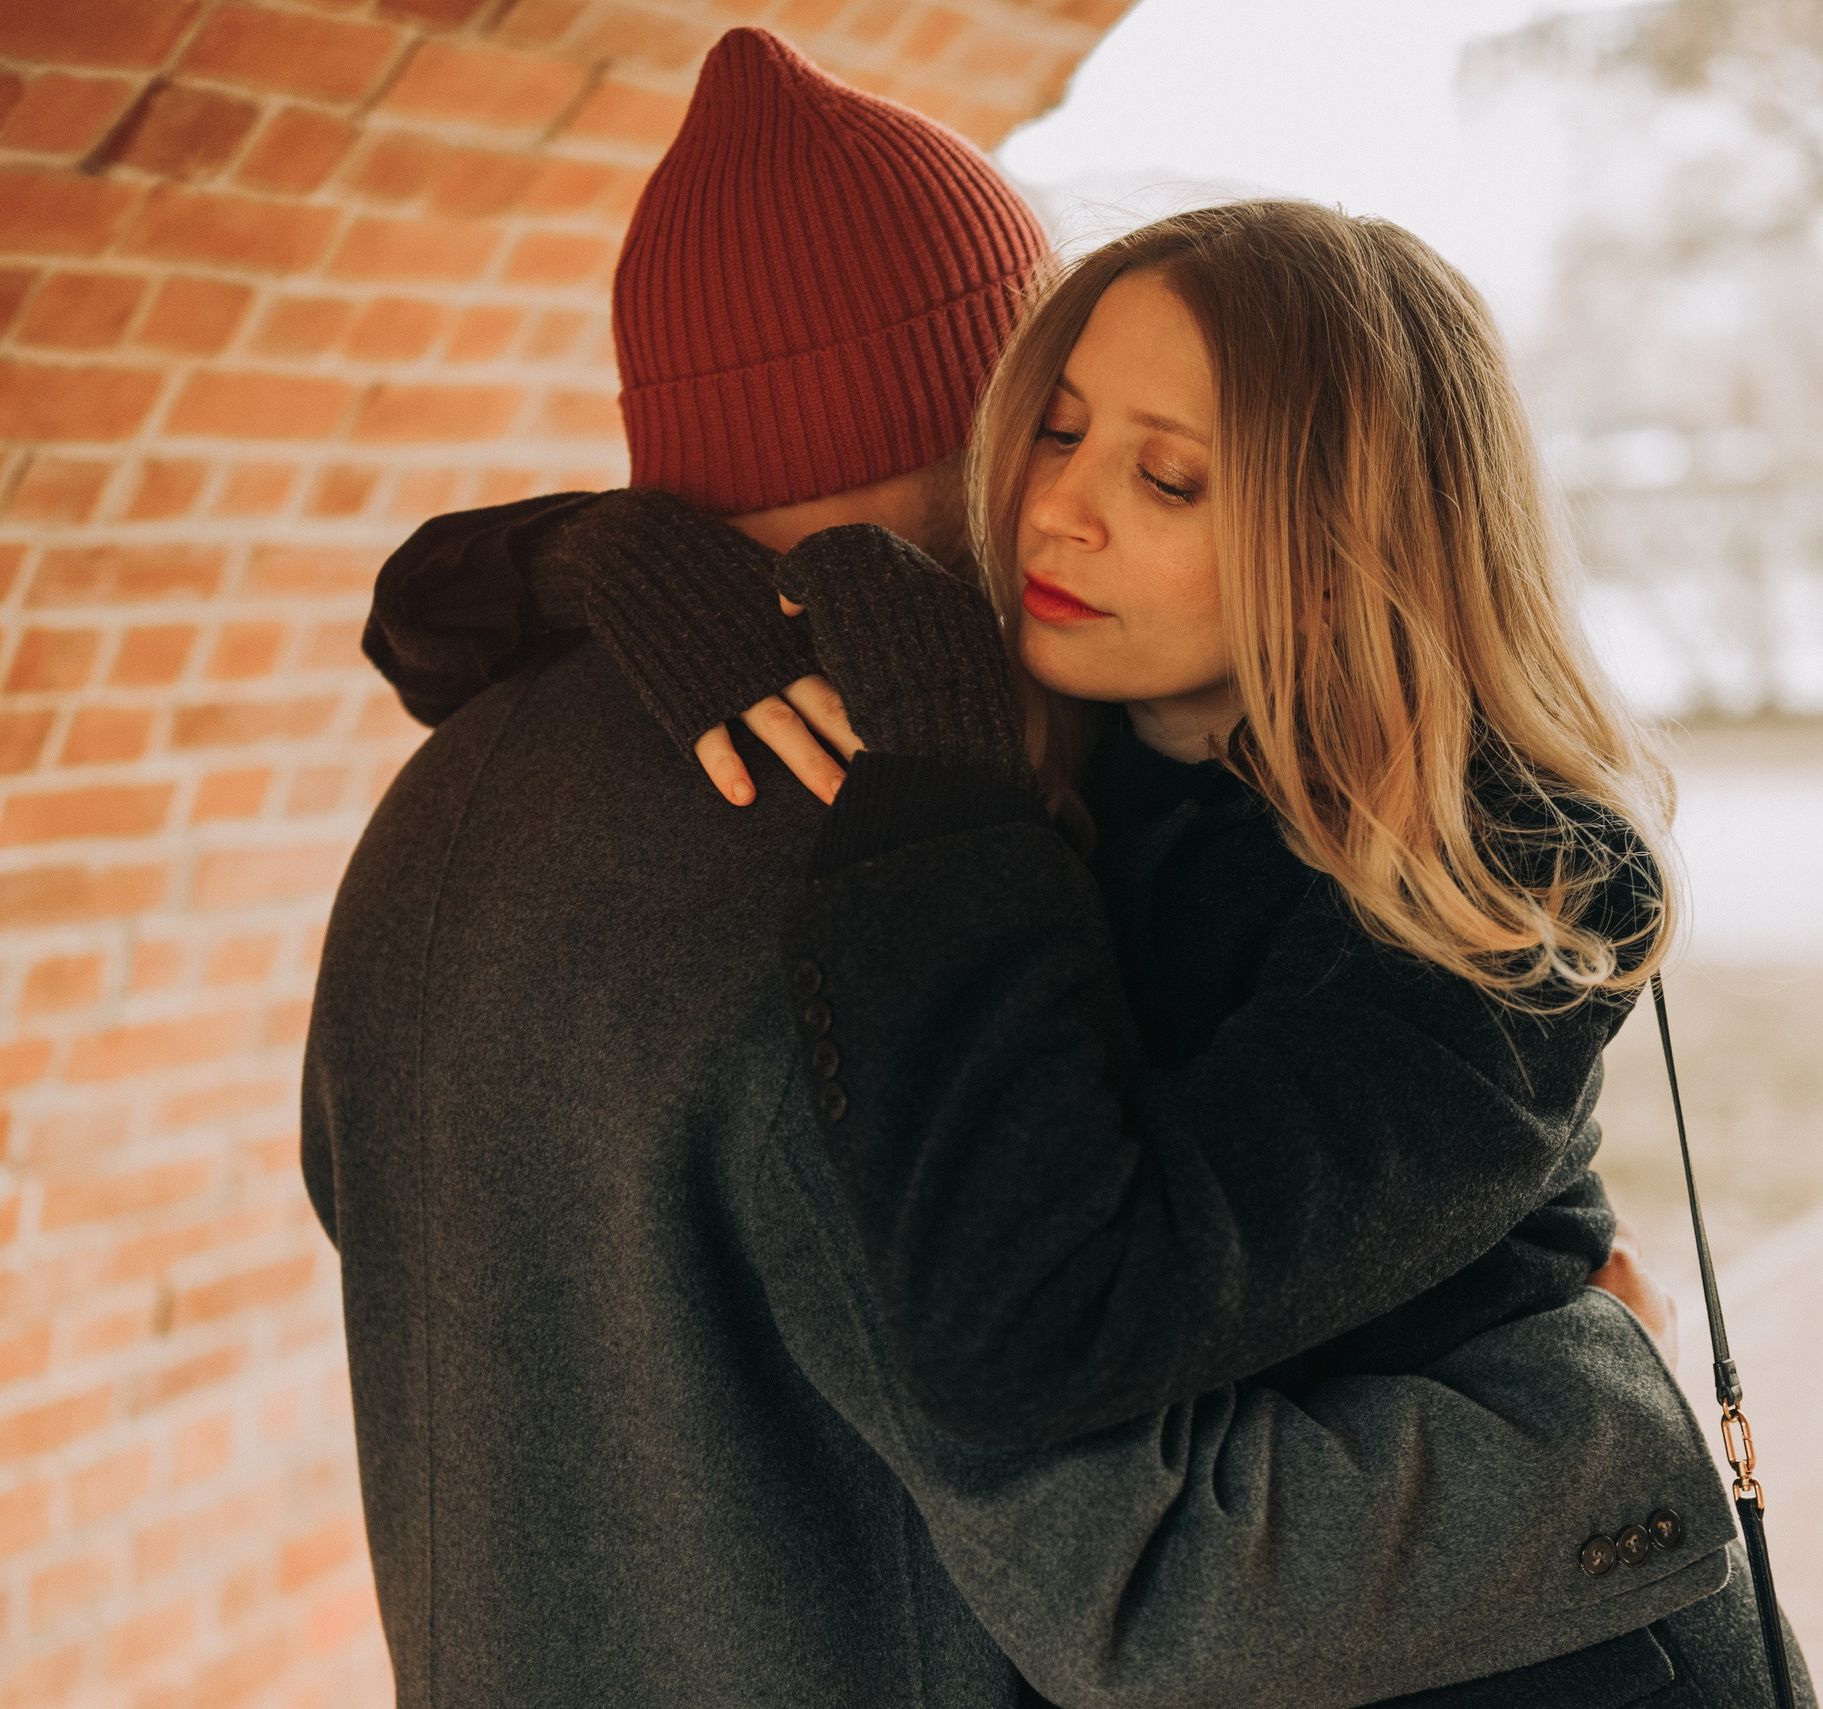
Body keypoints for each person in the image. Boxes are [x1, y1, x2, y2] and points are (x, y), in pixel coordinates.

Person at [313, 27, 1741, 1709]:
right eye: (1048, 425)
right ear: (977, 417)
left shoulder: (443, 806)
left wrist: (611, 561)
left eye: (1164, 470)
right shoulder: (914, 836)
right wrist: (1606, 1429)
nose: (1058, 507)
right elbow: (1137, 1563)